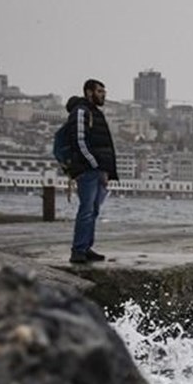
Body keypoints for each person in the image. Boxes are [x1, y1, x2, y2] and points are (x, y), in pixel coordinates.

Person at [67, 79, 119, 264]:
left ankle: (86, 247)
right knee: (86, 210)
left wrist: (105, 171)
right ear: (89, 92)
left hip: (98, 171)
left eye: (104, 91)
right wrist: (95, 165)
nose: (103, 94)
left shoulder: (96, 113)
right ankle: (78, 250)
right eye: (99, 91)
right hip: (88, 171)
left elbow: (103, 145)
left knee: (93, 211)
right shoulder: (81, 111)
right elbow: (80, 141)